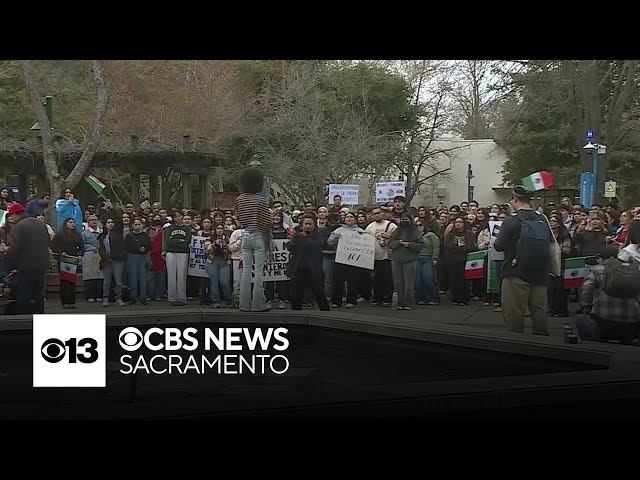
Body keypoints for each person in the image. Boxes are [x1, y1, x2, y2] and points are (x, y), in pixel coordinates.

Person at [494, 186, 552, 335]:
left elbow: (499, 245)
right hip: (540, 272)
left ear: (515, 199)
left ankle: (516, 348)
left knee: (514, 314)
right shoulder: (542, 219)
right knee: (539, 314)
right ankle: (544, 348)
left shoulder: (511, 221)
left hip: (516, 272)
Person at [575, 245, 640, 345]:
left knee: (581, 319)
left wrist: (586, 309)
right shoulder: (633, 271)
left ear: (600, 259)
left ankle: (594, 345)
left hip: (604, 321)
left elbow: (586, 291)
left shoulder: (597, 270)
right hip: (632, 323)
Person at [234, 167, 272, 312]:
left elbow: (238, 217)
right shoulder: (260, 200)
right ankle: (258, 304)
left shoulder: (239, 199)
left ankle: (244, 304)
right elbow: (267, 222)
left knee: (246, 271)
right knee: (259, 271)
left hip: (245, 234)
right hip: (258, 235)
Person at [3, 202, 50, 314]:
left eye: (11, 215)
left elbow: (15, 249)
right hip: (42, 264)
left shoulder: (18, 227)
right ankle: (39, 317)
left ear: (15, 214)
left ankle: (23, 321)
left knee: (24, 295)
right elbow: (47, 241)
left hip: (26, 266)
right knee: (39, 295)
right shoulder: (40, 224)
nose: (10, 218)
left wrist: (5, 250)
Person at [285, 214, 330, 311]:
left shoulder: (318, 235)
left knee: (320, 294)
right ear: (301, 226)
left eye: (310, 224)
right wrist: (295, 238)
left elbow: (316, 246)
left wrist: (305, 238)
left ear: (314, 225)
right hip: (298, 269)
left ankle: (326, 314)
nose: (308, 226)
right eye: (306, 224)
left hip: (314, 270)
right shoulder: (297, 236)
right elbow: (290, 247)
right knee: (296, 295)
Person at [328, 212, 368, 308]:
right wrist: (335, 238)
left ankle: (351, 301)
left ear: (355, 219)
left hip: (354, 260)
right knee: (337, 281)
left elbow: (366, 243)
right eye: (347, 217)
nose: (349, 218)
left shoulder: (361, 231)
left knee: (353, 281)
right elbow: (329, 242)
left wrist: (363, 237)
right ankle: (336, 301)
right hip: (340, 259)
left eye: (351, 217)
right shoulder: (339, 230)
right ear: (344, 219)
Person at [388, 212, 423, 310]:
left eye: (406, 219)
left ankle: (408, 303)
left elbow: (421, 245)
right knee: (398, 282)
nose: (404, 221)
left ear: (410, 220)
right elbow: (391, 244)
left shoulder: (415, 232)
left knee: (409, 283)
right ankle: (400, 303)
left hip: (410, 260)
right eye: (402, 219)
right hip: (396, 260)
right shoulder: (396, 231)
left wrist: (410, 245)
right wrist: (399, 243)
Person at [365, 206, 397, 307]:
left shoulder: (391, 226)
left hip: (387, 257)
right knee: (376, 280)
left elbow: (398, 238)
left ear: (382, 213)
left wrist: (389, 237)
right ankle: (377, 298)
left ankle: (387, 298)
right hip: (375, 257)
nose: (377, 215)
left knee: (388, 279)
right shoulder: (369, 227)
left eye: (378, 213)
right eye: (374, 213)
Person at [51, 217, 84, 309]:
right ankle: (65, 301)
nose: (72, 224)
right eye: (70, 222)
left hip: (73, 260)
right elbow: (53, 245)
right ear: (66, 223)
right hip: (63, 260)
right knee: (64, 281)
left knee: (71, 281)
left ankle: (71, 301)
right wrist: (61, 253)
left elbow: (82, 247)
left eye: (73, 222)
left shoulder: (77, 235)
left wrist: (80, 255)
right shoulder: (60, 234)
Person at [443, 215, 476, 306]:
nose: (458, 224)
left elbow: (471, 246)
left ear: (464, 224)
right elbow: (447, 246)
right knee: (453, 279)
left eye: (460, 222)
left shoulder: (469, 233)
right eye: (456, 222)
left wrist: (458, 249)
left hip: (465, 260)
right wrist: (458, 248)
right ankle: (455, 298)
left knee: (464, 280)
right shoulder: (450, 234)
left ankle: (464, 299)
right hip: (452, 260)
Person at [162, 211, 192, 306]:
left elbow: (187, 241)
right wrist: (180, 241)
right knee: (171, 274)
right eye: (176, 217)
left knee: (181, 275)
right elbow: (168, 241)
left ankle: (182, 297)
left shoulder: (186, 229)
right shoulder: (169, 228)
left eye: (179, 216)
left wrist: (176, 241)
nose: (178, 218)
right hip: (170, 252)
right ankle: (172, 297)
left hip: (183, 253)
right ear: (173, 218)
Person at [98, 216, 127, 307]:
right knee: (107, 281)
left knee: (118, 281)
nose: (111, 224)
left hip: (117, 260)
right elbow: (101, 249)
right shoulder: (102, 236)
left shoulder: (118, 233)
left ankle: (118, 298)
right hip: (107, 261)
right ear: (105, 225)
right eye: (108, 222)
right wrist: (105, 257)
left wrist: (112, 208)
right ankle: (105, 298)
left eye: (112, 222)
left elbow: (119, 221)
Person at [548, 215, 572, 317]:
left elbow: (567, 250)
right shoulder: (547, 234)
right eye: (550, 221)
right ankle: (552, 308)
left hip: (562, 263)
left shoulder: (565, 234)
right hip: (550, 264)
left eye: (554, 221)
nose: (552, 223)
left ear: (559, 223)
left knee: (560, 289)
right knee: (552, 288)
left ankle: (561, 310)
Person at [264, 212, 290, 310]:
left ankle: (282, 300)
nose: (276, 218)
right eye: (274, 216)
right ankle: (268, 300)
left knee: (282, 280)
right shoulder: (267, 230)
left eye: (278, 216)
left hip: (281, 260)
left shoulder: (286, 229)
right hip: (270, 258)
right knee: (269, 280)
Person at [204, 224, 232, 308]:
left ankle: (228, 299)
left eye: (221, 228)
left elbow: (231, 250)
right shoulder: (209, 238)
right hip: (212, 262)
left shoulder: (227, 239)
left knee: (225, 282)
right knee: (214, 282)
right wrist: (215, 244)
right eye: (218, 228)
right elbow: (206, 249)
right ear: (215, 229)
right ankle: (215, 301)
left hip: (224, 262)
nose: (220, 230)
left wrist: (224, 246)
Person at [125, 218, 151, 305]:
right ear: (132, 226)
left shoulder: (145, 235)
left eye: (139, 224)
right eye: (135, 224)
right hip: (132, 257)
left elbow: (149, 246)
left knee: (143, 278)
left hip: (143, 257)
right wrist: (138, 249)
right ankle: (133, 297)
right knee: (133, 278)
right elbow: (127, 247)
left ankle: (143, 297)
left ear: (142, 225)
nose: (137, 226)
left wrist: (145, 249)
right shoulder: (129, 236)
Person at [415, 219, 440, 306]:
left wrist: (435, 258)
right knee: (418, 281)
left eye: (420, 225)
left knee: (428, 279)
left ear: (424, 225)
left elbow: (436, 247)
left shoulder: (431, 235)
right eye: (416, 225)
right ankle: (420, 298)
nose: (418, 227)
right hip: (416, 259)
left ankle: (432, 298)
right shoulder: (414, 236)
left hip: (428, 258)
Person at [81, 214, 104, 304]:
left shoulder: (102, 232)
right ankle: (90, 295)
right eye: (91, 220)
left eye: (95, 219)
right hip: (89, 255)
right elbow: (82, 244)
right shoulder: (84, 233)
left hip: (101, 255)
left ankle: (99, 295)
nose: (94, 221)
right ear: (88, 222)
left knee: (100, 276)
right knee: (89, 277)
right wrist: (90, 247)